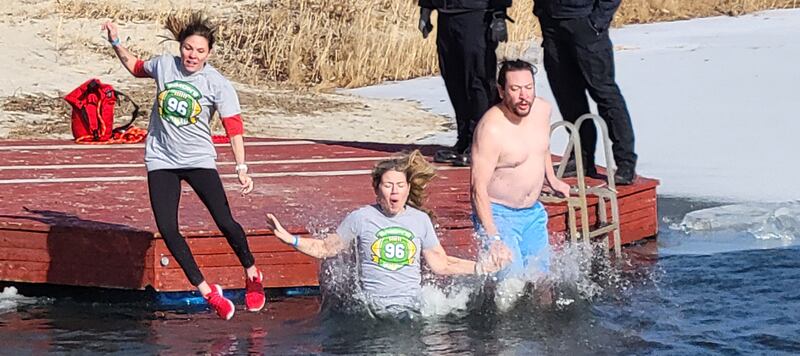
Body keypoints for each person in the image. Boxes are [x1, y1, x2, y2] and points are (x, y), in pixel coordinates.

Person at [102, 13, 264, 320]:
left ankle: (252, 272)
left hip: (199, 159)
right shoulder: (165, 65)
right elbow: (136, 67)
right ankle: (208, 292)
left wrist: (241, 166)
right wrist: (116, 42)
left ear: (209, 54)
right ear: (181, 47)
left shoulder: (217, 83)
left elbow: (234, 127)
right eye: (188, 48)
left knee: (225, 221)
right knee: (167, 229)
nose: (193, 55)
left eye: (200, 51)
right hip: (161, 159)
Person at [265, 150, 511, 318]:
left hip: (412, 313)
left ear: (407, 190)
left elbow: (441, 264)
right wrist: (290, 239)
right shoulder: (360, 218)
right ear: (377, 189)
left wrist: (481, 268)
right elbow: (326, 249)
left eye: (400, 185)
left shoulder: (420, 220)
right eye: (388, 185)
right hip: (374, 314)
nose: (394, 191)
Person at [470, 59, 571, 309]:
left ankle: (546, 335)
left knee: (543, 281)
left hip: (532, 213)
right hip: (499, 212)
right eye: (515, 89)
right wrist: (492, 237)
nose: (523, 96)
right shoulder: (491, 129)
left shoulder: (542, 110)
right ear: (502, 90)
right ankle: (496, 333)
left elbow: (541, 147)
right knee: (510, 284)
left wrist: (552, 178)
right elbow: (477, 189)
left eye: (528, 87)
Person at [534, 0, 638, 185]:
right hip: (551, 23)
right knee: (566, 94)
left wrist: (598, 21)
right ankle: (581, 158)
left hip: (585, 23)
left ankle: (625, 163)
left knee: (604, 93)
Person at [417, 0, 513, 166]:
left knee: (477, 80)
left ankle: (481, 142)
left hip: (477, 15)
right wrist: (426, 9)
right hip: (446, 14)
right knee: (453, 78)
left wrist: (499, 14)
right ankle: (464, 140)